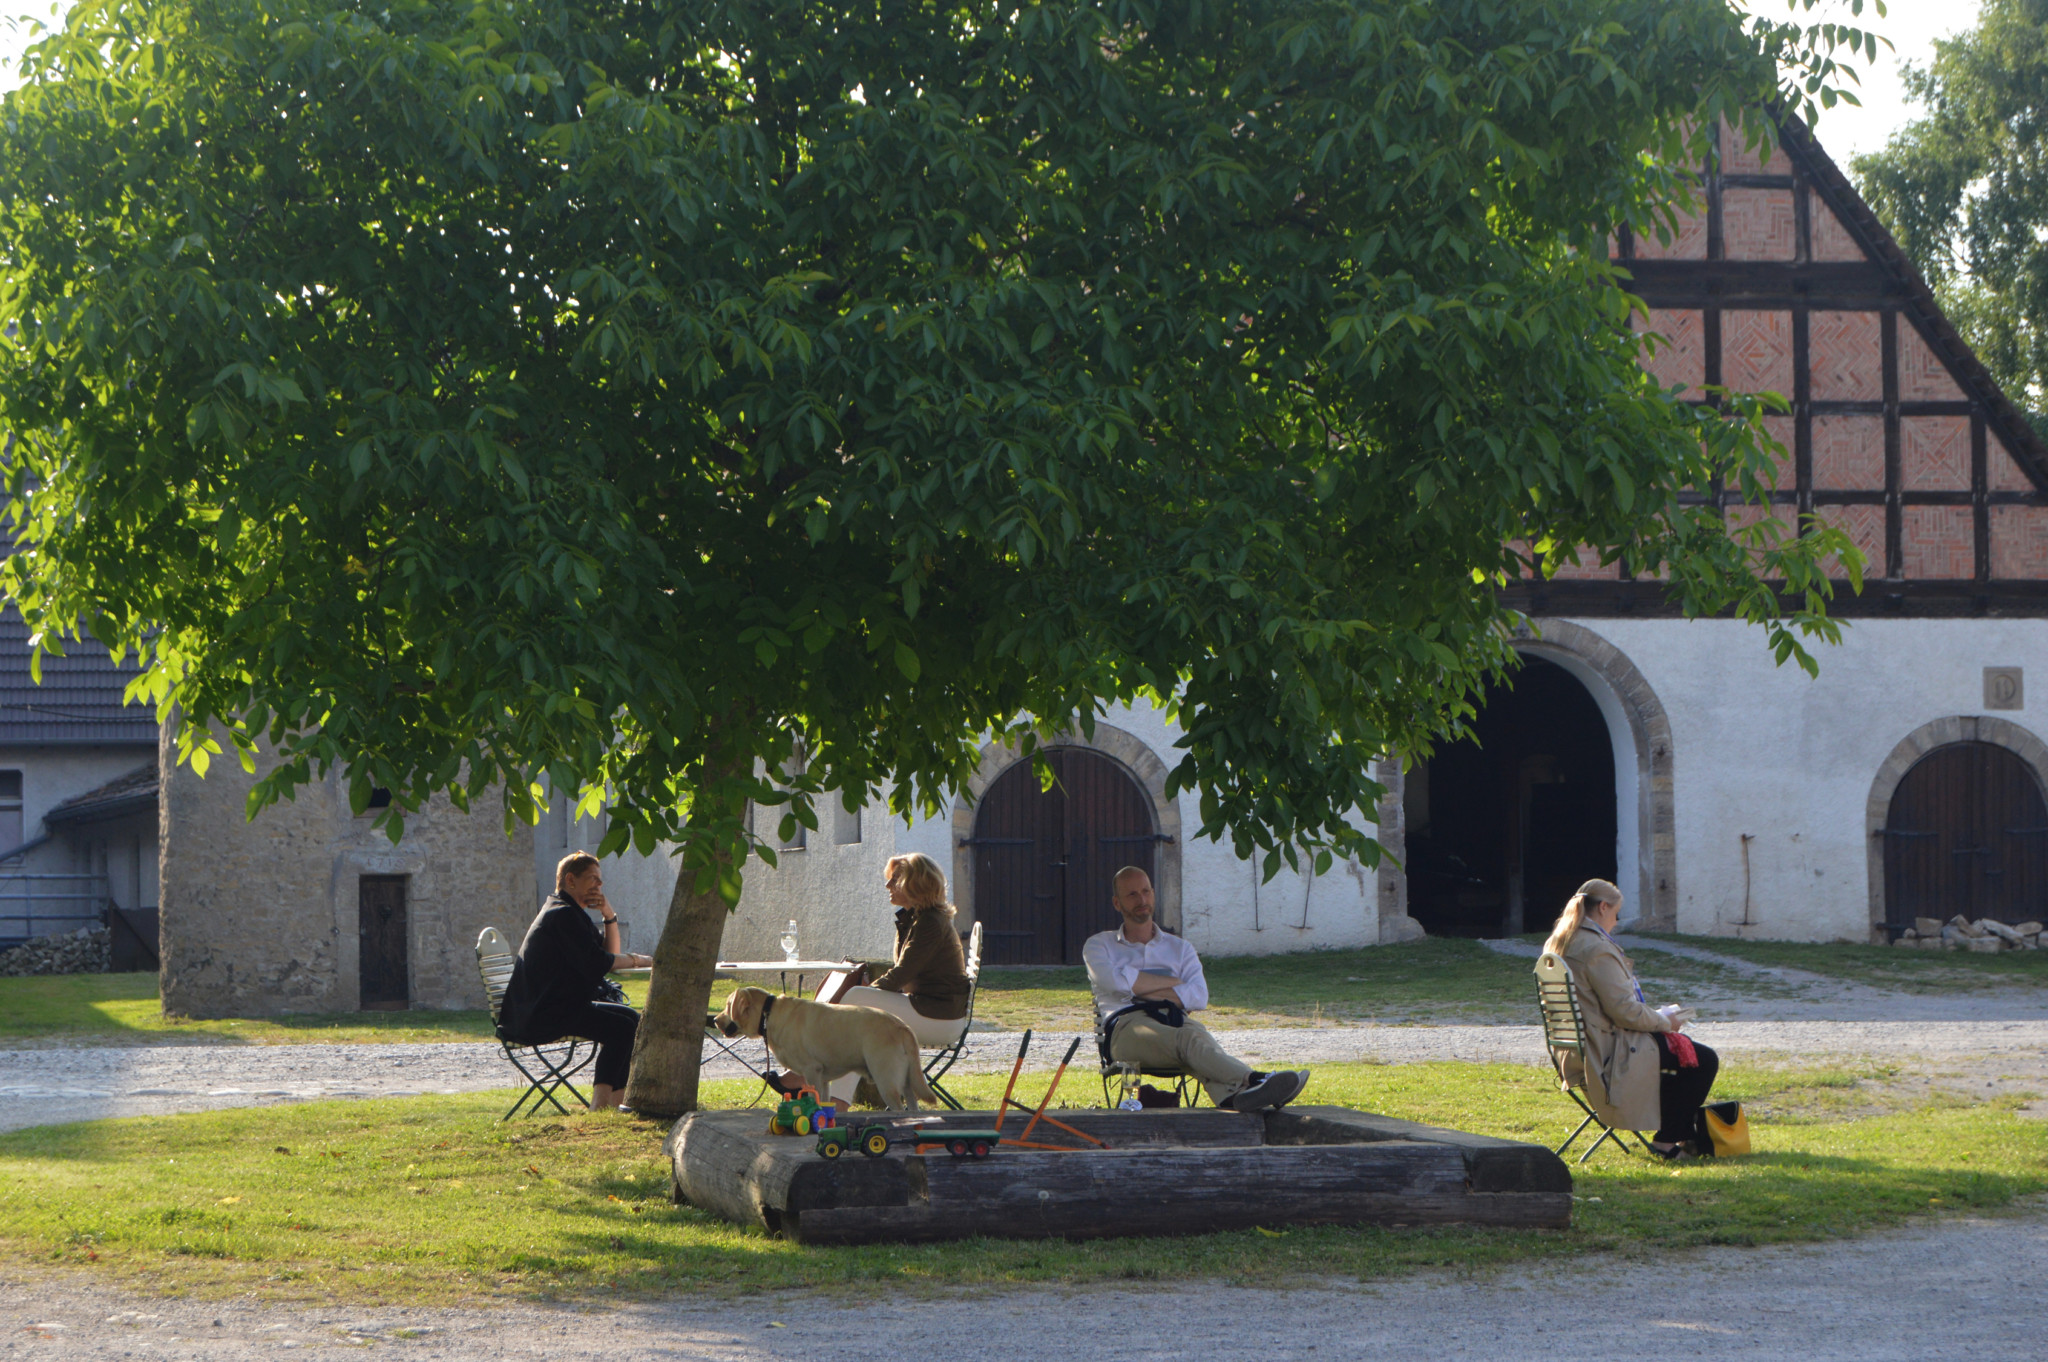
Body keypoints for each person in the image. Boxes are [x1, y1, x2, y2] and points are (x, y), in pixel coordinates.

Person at [1083, 866, 1308, 1112]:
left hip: (1174, 1019)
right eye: (1132, 894)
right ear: (1117, 903)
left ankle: (1233, 1099)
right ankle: (1255, 1079)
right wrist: (1175, 982)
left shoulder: (1180, 948)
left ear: (1154, 894)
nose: (1142, 899)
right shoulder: (1099, 945)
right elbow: (1113, 983)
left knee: (1197, 1038)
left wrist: (1136, 986)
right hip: (1125, 1028)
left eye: (1146, 891)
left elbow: (1199, 996)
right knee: (1190, 1040)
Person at [1541, 877, 1718, 1158]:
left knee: (1679, 1057)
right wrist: (1665, 1020)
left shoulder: (1558, 941)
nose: (1615, 921)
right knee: (1702, 1059)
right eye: (1615, 913)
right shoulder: (1596, 947)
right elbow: (1625, 1012)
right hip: (1607, 1051)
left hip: (1572, 1050)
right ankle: (1667, 1142)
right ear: (1602, 907)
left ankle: (1676, 1133)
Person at [498, 851, 652, 1111]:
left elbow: (608, 955)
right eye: (593, 879)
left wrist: (607, 913)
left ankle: (618, 1101)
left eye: (600, 880)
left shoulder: (568, 912)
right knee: (622, 1028)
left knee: (630, 1019)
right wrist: (640, 960)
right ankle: (601, 1105)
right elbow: (601, 962)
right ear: (571, 880)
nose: (599, 885)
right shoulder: (562, 915)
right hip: (540, 1016)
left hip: (557, 1008)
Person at [826, 852, 971, 1105]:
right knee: (855, 1026)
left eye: (894, 880)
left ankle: (829, 1099)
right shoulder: (917, 918)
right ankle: (834, 1104)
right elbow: (900, 977)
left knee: (856, 1000)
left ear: (914, 884)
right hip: (929, 1009)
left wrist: (868, 991)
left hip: (939, 1017)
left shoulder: (930, 923)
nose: (887, 886)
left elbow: (899, 976)